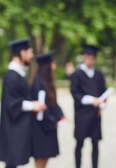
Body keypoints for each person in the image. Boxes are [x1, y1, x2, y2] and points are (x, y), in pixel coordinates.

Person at [0, 38, 46, 168]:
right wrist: (33, 105)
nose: (31, 56)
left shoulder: (17, 74)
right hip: (13, 128)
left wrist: (33, 103)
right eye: (29, 52)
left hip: (17, 127)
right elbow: (12, 103)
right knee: (11, 163)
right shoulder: (12, 76)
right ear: (22, 53)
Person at [70, 44, 107, 168]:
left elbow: (103, 92)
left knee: (95, 143)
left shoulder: (98, 75)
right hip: (82, 113)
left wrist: (102, 105)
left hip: (95, 114)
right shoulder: (77, 74)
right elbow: (75, 93)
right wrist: (92, 100)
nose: (90, 60)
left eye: (92, 58)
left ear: (95, 59)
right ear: (84, 57)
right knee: (80, 143)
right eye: (87, 57)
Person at [31, 50, 66, 168]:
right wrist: (53, 122)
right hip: (41, 130)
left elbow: (53, 103)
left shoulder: (47, 83)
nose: (54, 67)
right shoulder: (38, 84)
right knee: (40, 162)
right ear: (47, 67)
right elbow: (42, 109)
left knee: (45, 161)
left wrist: (61, 115)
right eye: (52, 64)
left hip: (48, 129)